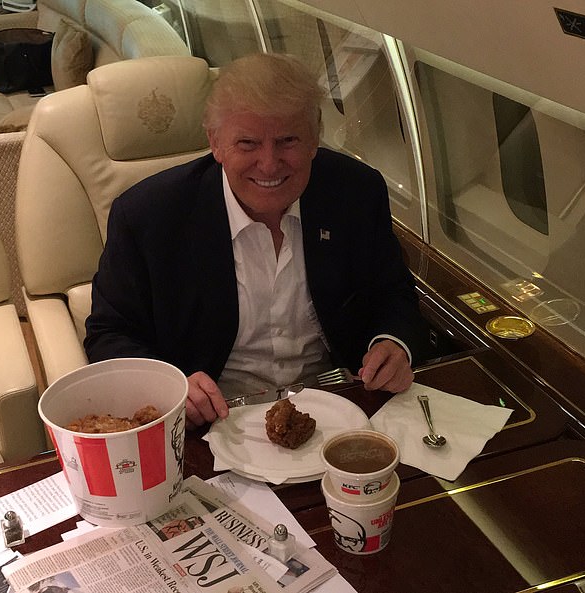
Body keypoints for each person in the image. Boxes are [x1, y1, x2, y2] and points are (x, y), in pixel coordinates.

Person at [84, 52, 431, 428]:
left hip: (337, 408)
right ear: (215, 143)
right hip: (211, 421)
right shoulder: (147, 216)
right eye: (247, 143)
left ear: (315, 139)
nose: (269, 163)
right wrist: (170, 388)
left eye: (287, 140)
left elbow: (394, 294)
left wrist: (394, 343)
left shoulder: (356, 193)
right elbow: (109, 335)